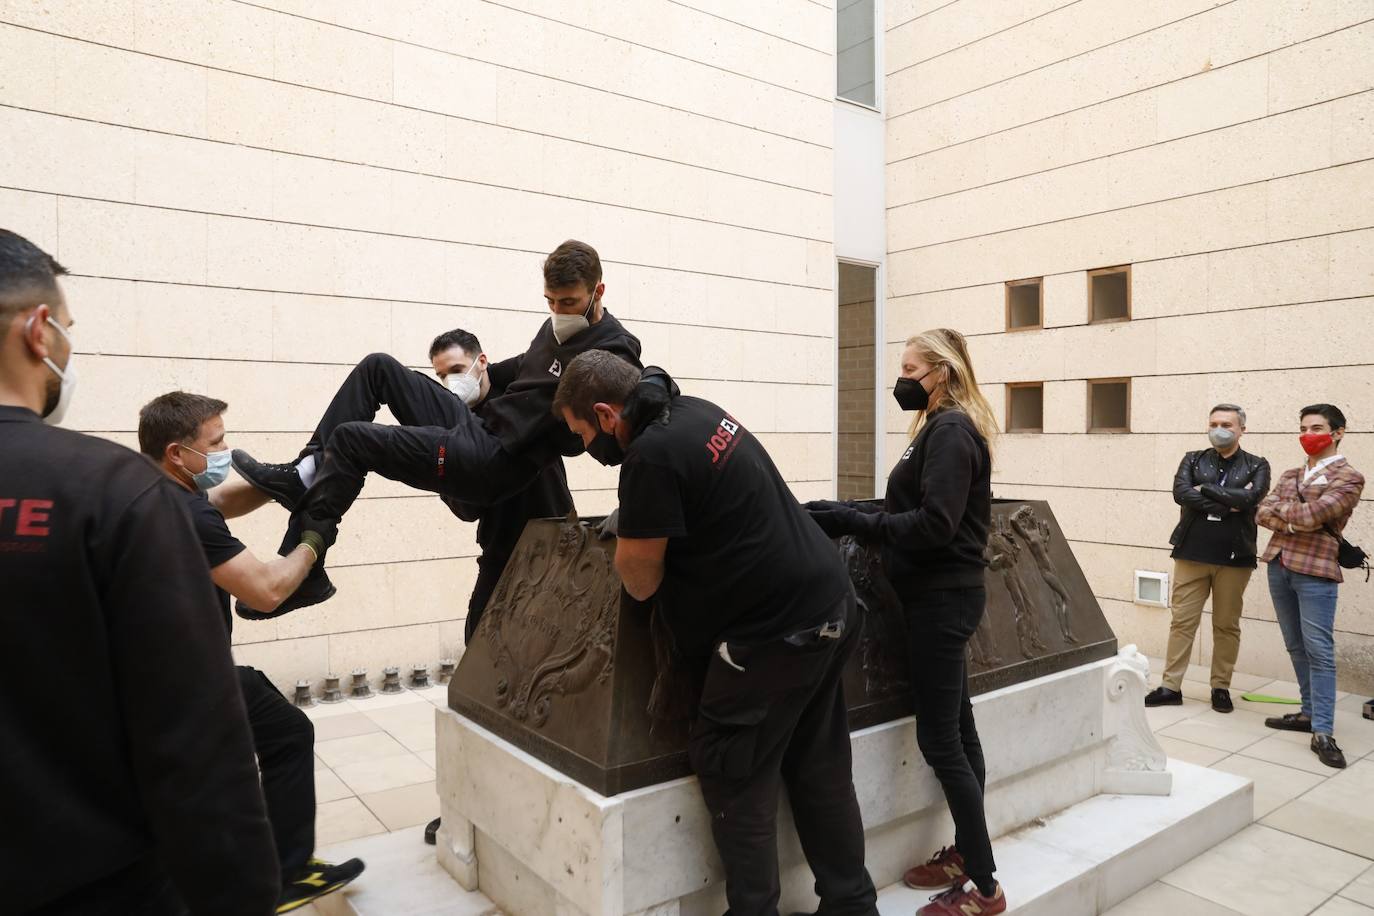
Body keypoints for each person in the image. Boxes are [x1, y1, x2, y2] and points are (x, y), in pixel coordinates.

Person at [0, 228, 279, 914]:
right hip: (96, 884)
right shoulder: (113, 494)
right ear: (39, 331)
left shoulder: (136, 495)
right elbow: (195, 744)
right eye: (66, 329)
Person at [553, 350, 879, 916]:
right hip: (831, 603)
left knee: (733, 767)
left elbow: (638, 578)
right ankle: (852, 904)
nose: (586, 449)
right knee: (819, 763)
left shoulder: (649, 457)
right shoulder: (697, 410)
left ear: (606, 415)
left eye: (582, 434)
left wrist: (638, 526)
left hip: (774, 635)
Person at [230, 240, 646, 617]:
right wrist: (469, 382)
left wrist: (630, 505)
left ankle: (307, 563)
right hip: (478, 431)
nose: (558, 312)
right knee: (379, 368)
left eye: (569, 302)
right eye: (550, 301)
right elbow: (521, 371)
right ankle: (306, 472)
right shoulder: (550, 328)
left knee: (352, 439)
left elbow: (621, 422)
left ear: (598, 291)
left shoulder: (616, 347)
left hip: (494, 461)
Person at [138, 391, 366, 912]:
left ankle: (280, 869)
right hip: (186, 681)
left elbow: (221, 501)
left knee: (279, 731)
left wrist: (286, 483)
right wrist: (313, 537)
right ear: (178, 453)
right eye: (216, 444)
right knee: (253, 758)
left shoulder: (152, 490)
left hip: (171, 669)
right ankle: (277, 877)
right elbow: (265, 591)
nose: (225, 451)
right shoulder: (188, 515)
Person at [804, 328, 1005, 916]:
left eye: (911, 368)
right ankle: (970, 853)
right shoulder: (940, 429)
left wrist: (850, 521)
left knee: (941, 740)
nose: (903, 379)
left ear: (941, 372)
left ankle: (984, 887)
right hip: (941, 597)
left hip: (941, 600)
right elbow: (914, 508)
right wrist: (854, 513)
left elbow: (936, 524)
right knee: (961, 733)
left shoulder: (949, 431)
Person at [231, 327, 573, 637]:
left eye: (456, 371)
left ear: (481, 362)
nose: (451, 382)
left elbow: (554, 357)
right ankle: (309, 471)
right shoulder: (453, 417)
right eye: (441, 376)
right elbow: (465, 507)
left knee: (503, 642)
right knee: (376, 369)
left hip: (543, 534)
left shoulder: (516, 391)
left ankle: (307, 489)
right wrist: (438, 470)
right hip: (485, 510)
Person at [1256, 404, 1364, 769]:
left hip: (1316, 571)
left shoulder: (1349, 476)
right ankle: (1306, 713)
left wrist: (1285, 515)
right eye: (1303, 427)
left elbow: (1315, 514)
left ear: (1338, 432)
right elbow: (1261, 511)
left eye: (1316, 427)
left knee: (1319, 650)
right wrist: (1292, 520)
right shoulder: (1290, 473)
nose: (1308, 433)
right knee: (1295, 644)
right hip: (1279, 565)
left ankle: (1323, 731)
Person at [1146, 404, 1270, 713]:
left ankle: (1220, 687)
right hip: (1191, 552)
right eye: (1214, 423)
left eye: (1227, 423)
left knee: (1226, 625)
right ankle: (1170, 687)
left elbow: (1252, 499)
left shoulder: (1258, 465)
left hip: (1235, 556)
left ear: (1242, 429)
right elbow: (1181, 493)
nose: (1219, 428)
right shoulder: (1192, 459)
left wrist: (1207, 489)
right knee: (1182, 622)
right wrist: (1229, 504)